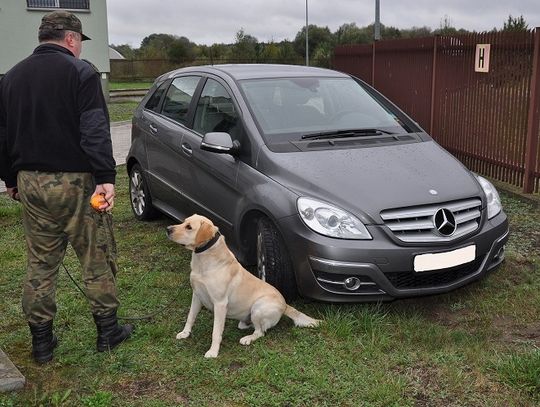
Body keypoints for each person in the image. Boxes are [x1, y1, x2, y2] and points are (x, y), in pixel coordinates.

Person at [0, 10, 133, 363]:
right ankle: (108, 332)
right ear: (71, 39)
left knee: (41, 262)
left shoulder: (10, 77)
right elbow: (93, 129)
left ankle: (41, 344)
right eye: (79, 42)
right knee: (95, 255)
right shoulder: (81, 71)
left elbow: (2, 135)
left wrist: (10, 179)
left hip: (29, 182)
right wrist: (106, 177)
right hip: (75, 182)